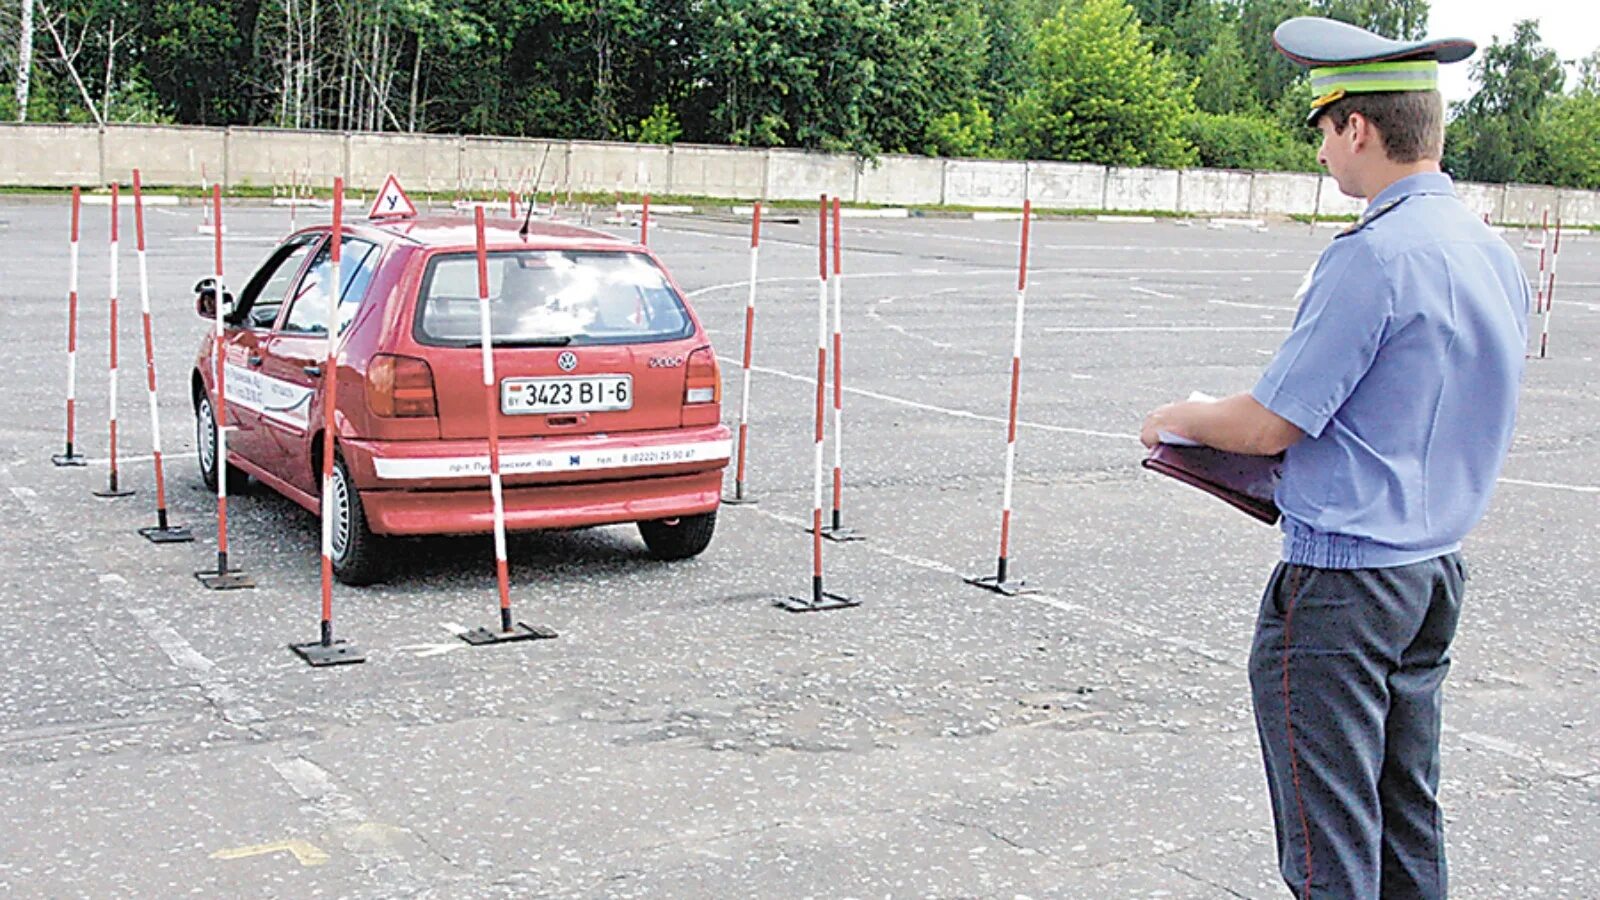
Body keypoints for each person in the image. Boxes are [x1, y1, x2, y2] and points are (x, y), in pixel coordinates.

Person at [1139, 16, 1531, 899]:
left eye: (1322, 130)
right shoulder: (1490, 253)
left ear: (1357, 126)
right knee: (1405, 822)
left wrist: (1180, 416)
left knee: (1329, 845)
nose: (1321, 152)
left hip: (1344, 591)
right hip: (1430, 575)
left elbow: (1273, 423)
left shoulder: (1375, 256)